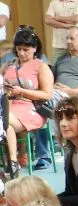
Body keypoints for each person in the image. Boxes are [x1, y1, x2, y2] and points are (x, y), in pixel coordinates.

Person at [3, 28, 54, 176]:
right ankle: (13, 162)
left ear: (35, 48)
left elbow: (47, 95)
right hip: (10, 105)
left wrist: (22, 92)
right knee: (5, 122)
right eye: (19, 49)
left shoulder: (41, 67)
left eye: (26, 50)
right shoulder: (9, 65)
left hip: (32, 108)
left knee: (4, 120)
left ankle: (12, 162)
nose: (21, 53)